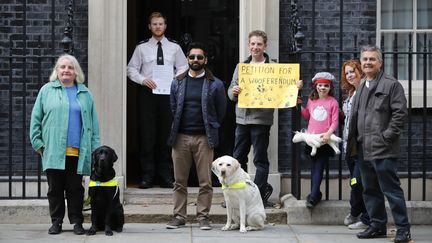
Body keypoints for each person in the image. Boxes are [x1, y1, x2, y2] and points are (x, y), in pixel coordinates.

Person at [228, 30, 303, 207]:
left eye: (259, 44)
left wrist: (295, 87)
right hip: (242, 119)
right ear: (248, 45)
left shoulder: (274, 67)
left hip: (261, 120)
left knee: (260, 159)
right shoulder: (241, 67)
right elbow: (231, 90)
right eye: (253, 44)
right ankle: (234, 196)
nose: (255, 47)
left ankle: (259, 196)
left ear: (265, 46)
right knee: (237, 158)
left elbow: (284, 91)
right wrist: (234, 92)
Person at [29, 54, 100, 235]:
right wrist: (39, 145)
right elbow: (35, 120)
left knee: (75, 189)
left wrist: (95, 149)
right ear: (57, 71)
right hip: (53, 150)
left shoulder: (85, 93)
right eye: (62, 67)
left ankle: (77, 222)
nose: (66, 70)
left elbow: (94, 125)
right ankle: (57, 222)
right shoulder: (47, 91)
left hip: (77, 151)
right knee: (55, 189)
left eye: (70, 67)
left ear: (76, 72)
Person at [347, 45, 411, 243]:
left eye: (372, 59)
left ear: (380, 63)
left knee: (391, 190)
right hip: (363, 148)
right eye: (365, 59)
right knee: (370, 190)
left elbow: (400, 114)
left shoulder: (391, 85)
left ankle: (403, 230)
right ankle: (377, 226)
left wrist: (387, 137)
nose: (368, 62)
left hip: (383, 148)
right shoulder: (361, 87)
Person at [165, 42, 226, 230]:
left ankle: (203, 217)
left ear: (205, 60)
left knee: (205, 181)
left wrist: (212, 127)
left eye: (199, 57)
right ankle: (178, 216)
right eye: (192, 57)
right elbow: (174, 108)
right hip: (181, 137)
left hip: (204, 138)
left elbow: (221, 111)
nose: (196, 60)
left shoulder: (215, 84)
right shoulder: (178, 81)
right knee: (179, 181)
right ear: (187, 59)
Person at [127, 12, 188, 189]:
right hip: (148, 94)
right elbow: (131, 69)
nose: (158, 27)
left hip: (169, 93)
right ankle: (147, 175)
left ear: (165, 26)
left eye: (161, 24)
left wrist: (176, 78)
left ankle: (166, 175)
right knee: (147, 135)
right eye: (154, 24)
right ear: (149, 26)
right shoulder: (142, 48)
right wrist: (142, 80)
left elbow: (184, 66)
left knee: (166, 134)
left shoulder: (174, 48)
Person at [300, 72, 339, 209]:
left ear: (330, 87)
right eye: (320, 85)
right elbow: (306, 116)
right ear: (316, 86)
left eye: (326, 86)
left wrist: (328, 133)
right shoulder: (312, 100)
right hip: (312, 139)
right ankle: (315, 194)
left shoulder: (333, 102)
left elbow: (335, 121)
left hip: (324, 140)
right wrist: (299, 106)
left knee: (319, 168)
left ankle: (313, 195)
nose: (323, 88)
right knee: (313, 167)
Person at [340, 60, 370, 230]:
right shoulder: (351, 92)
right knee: (354, 181)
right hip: (348, 145)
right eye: (347, 73)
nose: (350, 75)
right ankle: (357, 212)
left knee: (359, 182)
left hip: (361, 146)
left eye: (352, 71)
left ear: (359, 70)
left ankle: (364, 217)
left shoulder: (365, 90)